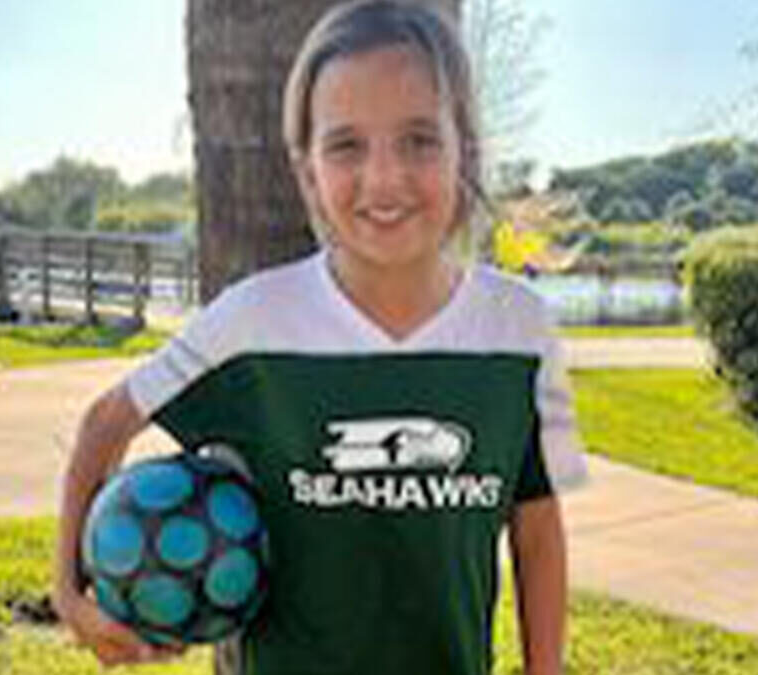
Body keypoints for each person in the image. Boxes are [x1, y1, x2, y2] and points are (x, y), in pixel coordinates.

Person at [52, 1, 587, 673]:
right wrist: (70, 593)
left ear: (465, 149)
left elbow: (535, 521)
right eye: (346, 145)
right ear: (308, 170)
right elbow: (105, 423)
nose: (384, 178)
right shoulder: (254, 321)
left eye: (420, 139)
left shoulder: (520, 327)